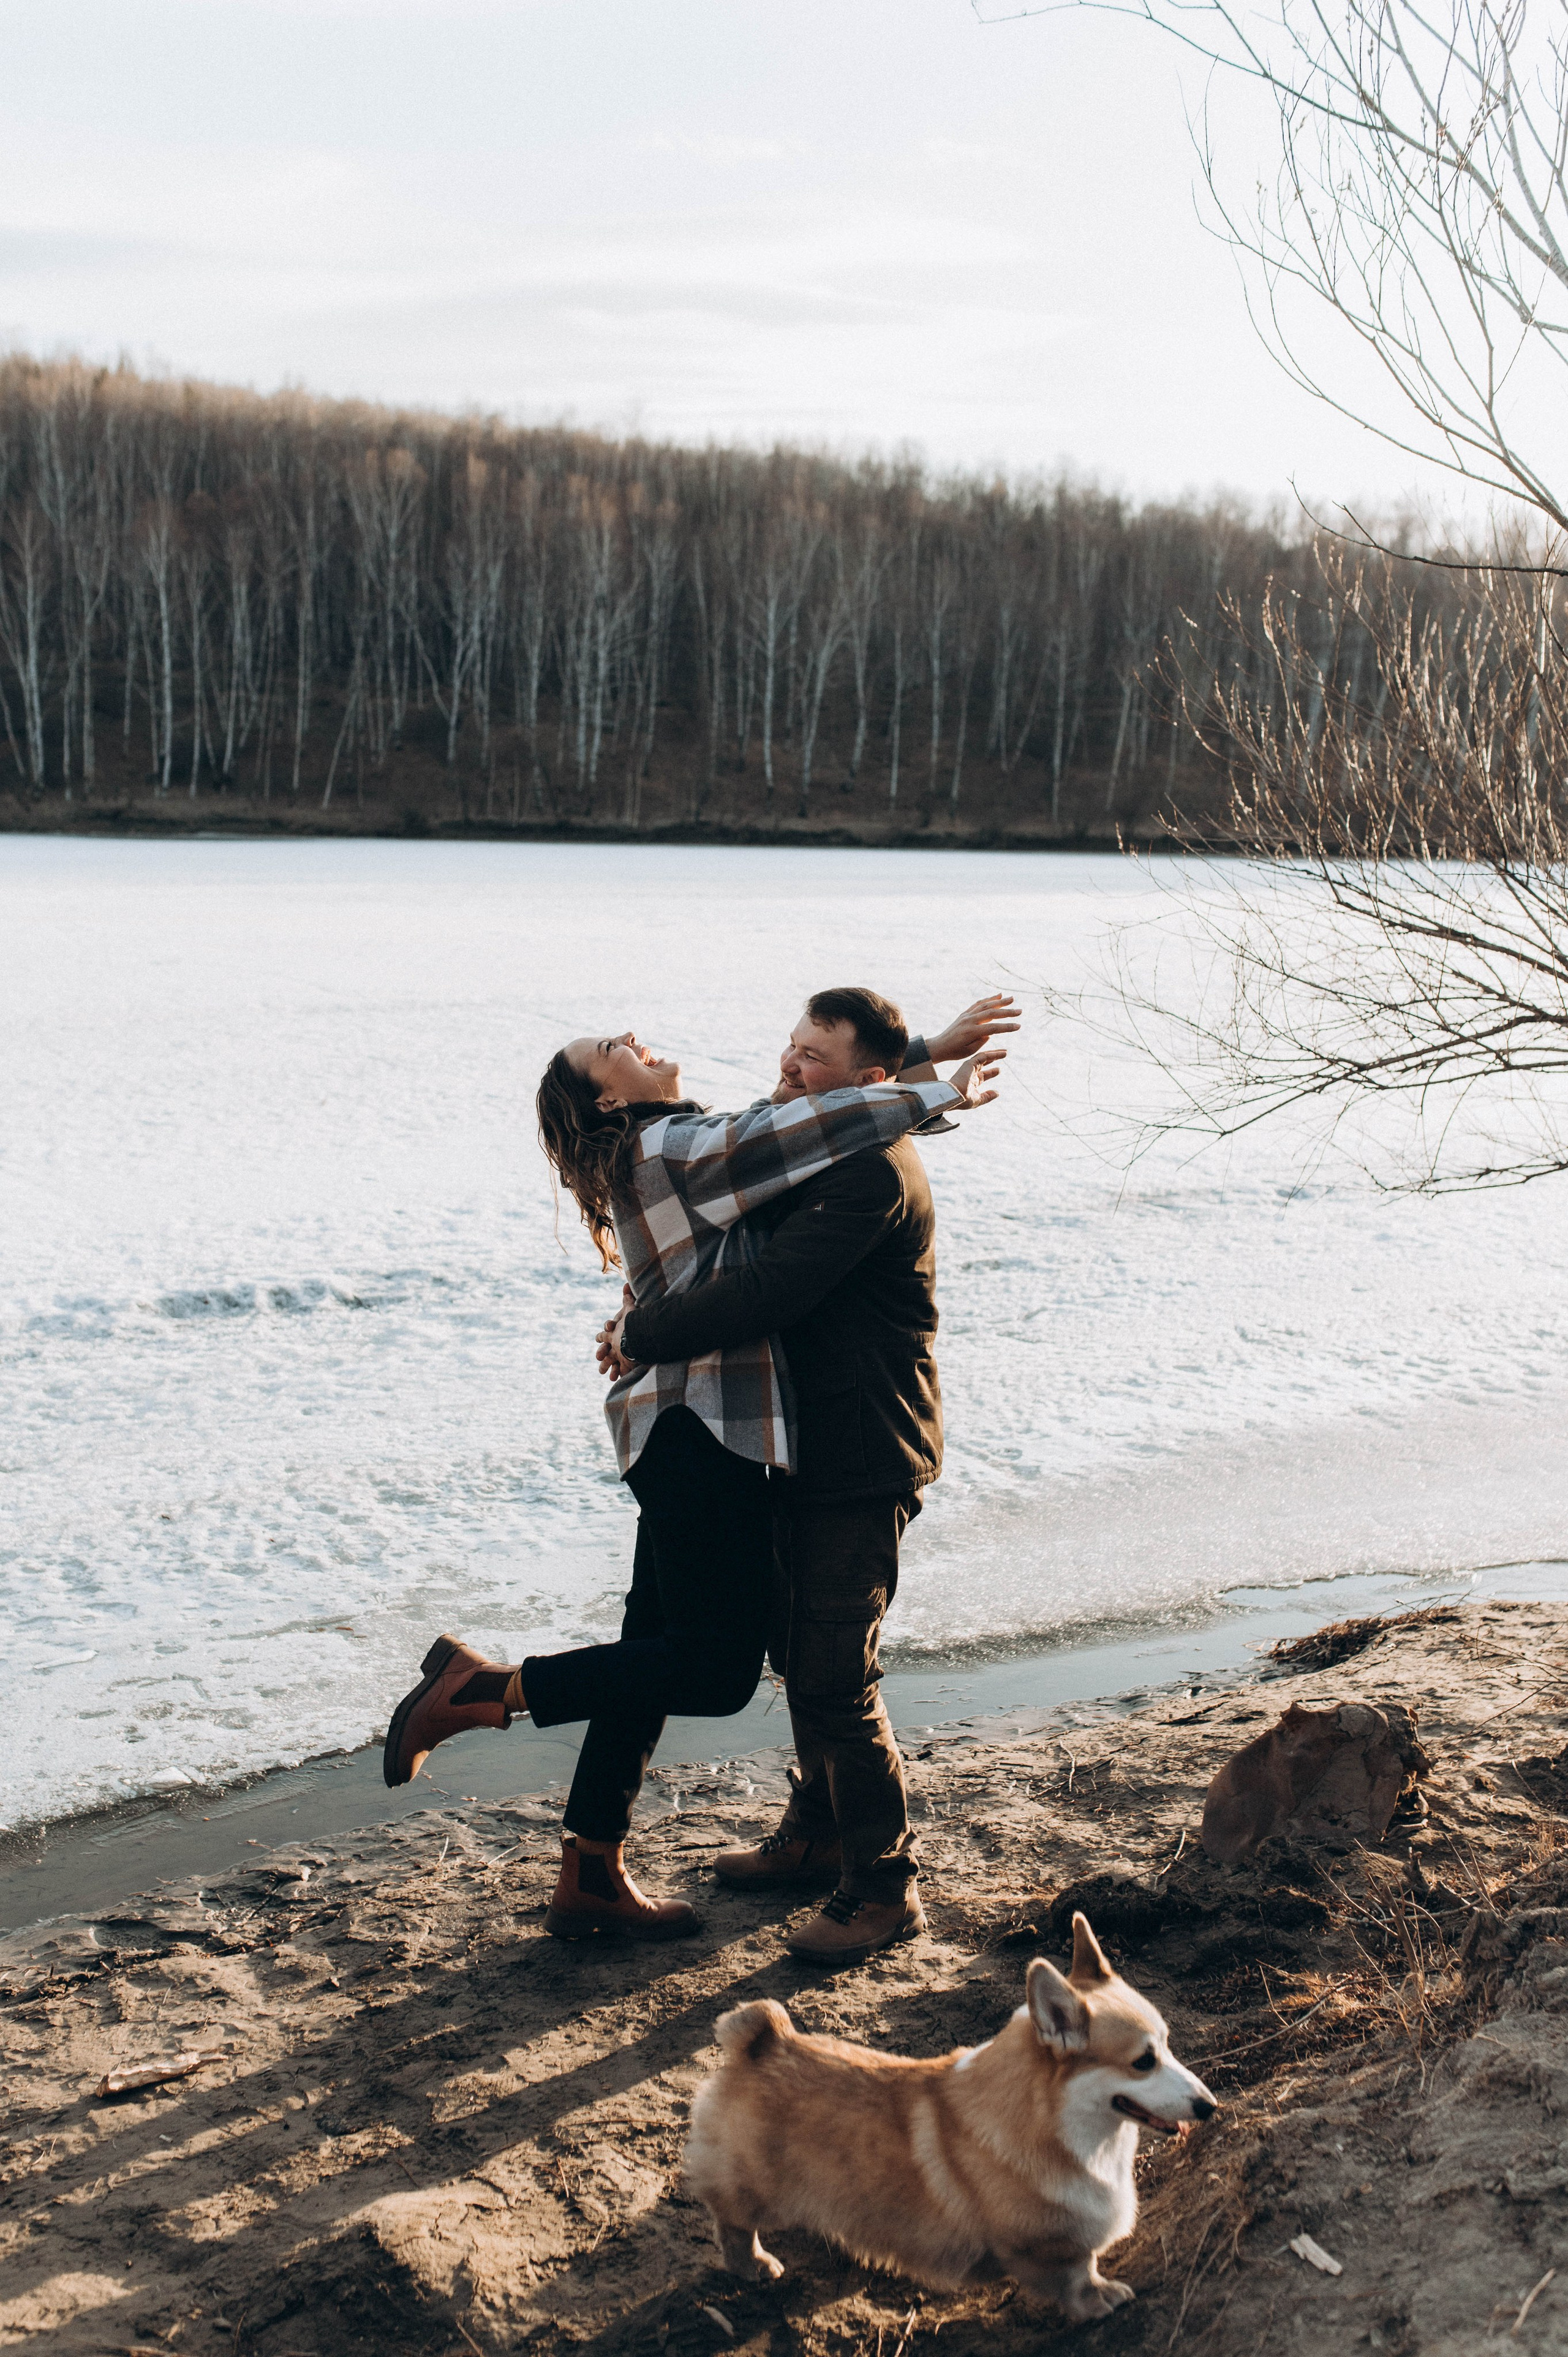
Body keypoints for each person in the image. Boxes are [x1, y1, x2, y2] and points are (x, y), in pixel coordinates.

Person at [380, 1023, 999, 1944]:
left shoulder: (675, 1146)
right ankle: (490, 1690)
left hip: (674, 1425)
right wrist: (937, 1086)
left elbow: (797, 1122)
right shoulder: (672, 1147)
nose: (633, 1037)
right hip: (702, 1427)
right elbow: (804, 1129)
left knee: (653, 1642)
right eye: (610, 1047)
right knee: (711, 1672)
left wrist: (921, 1057)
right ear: (607, 1099)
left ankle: (591, 1869)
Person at [597, 988, 1020, 1966]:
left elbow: (769, 1289)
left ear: (865, 1084)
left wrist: (639, 1334)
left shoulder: (865, 1172)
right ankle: (819, 1829)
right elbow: (753, 1165)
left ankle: (883, 1886)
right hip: (800, 1444)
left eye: (812, 1060)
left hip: (861, 1452)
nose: (788, 1070)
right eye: (788, 1049)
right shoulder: (823, 1143)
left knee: (837, 1673)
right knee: (799, 1652)